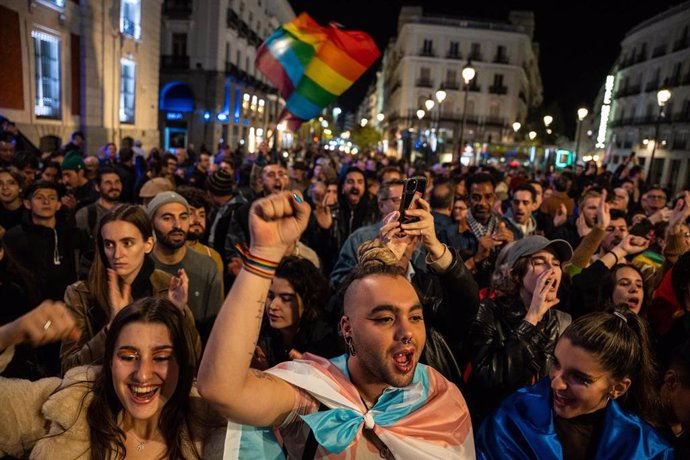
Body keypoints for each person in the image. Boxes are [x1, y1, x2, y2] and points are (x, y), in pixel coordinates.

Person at [197, 191, 475, 458]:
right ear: (346, 328)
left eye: (415, 317)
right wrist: (263, 255)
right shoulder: (315, 394)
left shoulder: (440, 399)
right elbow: (222, 389)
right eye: (385, 319)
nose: (406, 333)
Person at [0, 297, 224, 459]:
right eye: (128, 356)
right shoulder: (69, 403)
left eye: (161, 357)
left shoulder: (211, 428)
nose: (142, 374)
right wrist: (8, 333)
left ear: (183, 364)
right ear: (110, 362)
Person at [475, 308, 673, 459]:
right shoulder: (513, 418)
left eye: (579, 377)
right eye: (556, 363)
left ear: (618, 388)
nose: (556, 384)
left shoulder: (647, 448)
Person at [60, 204, 201, 373]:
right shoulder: (80, 294)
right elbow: (68, 368)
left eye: (127, 243)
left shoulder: (166, 285)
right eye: (109, 244)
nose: (117, 254)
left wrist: (178, 314)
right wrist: (112, 327)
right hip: (102, 392)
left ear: (148, 244)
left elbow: (194, 356)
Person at [464, 235, 573, 426]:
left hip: (541, 427)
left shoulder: (563, 322)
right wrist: (531, 319)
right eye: (539, 262)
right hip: (499, 425)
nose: (551, 269)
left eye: (556, 263)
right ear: (516, 273)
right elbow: (488, 379)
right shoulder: (489, 310)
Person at [252, 256, 342, 370]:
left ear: (307, 301)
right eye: (270, 296)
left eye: (286, 299)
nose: (273, 306)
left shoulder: (324, 340)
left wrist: (312, 371)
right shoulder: (259, 331)